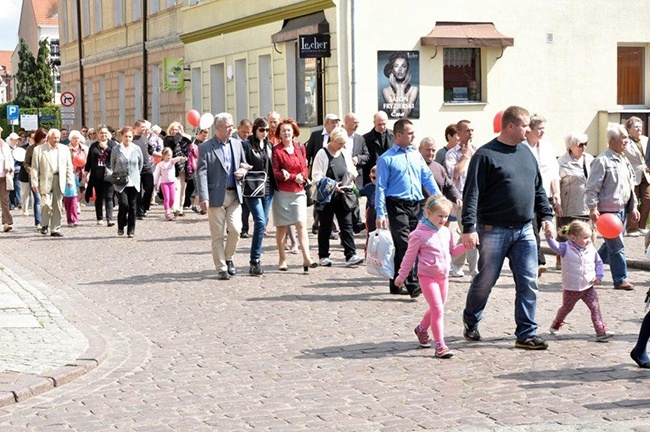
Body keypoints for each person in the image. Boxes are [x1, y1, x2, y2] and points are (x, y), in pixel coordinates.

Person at [461, 106, 554, 350]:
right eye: (525, 125)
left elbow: (538, 189)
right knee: (486, 280)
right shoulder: (485, 155)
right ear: (510, 126)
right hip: (493, 230)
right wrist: (468, 227)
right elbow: (472, 193)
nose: (528, 130)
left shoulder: (526, 153)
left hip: (524, 230)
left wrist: (547, 215)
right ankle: (471, 319)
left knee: (528, 281)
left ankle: (526, 333)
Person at [375, 118, 441, 297]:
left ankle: (396, 283)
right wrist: (380, 213)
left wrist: (439, 198)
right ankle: (413, 284)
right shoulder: (386, 159)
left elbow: (427, 178)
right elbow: (380, 187)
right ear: (398, 135)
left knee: (414, 243)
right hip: (396, 205)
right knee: (405, 244)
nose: (413, 136)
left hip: (416, 204)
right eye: (410, 133)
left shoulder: (415, 155)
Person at [396, 195, 465, 358]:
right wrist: (401, 277)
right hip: (427, 276)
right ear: (428, 213)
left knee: (437, 308)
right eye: (439, 216)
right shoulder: (418, 234)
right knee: (437, 309)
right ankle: (440, 345)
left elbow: (452, 253)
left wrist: (465, 246)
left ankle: (421, 329)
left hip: (443, 277)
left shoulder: (446, 232)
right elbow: (409, 257)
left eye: (446, 216)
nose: (443, 220)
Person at [585, 124, 638, 291]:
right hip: (608, 212)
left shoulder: (624, 160)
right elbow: (592, 188)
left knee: (610, 246)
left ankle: (589, 266)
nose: (626, 142)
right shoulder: (602, 161)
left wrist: (634, 207)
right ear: (613, 140)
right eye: (624, 138)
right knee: (617, 247)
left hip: (621, 209)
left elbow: (630, 186)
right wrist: (593, 208)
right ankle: (620, 279)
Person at [196, 112, 249, 281]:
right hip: (215, 195)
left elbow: (244, 163)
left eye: (232, 126)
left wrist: (243, 171)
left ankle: (229, 257)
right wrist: (203, 196)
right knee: (217, 234)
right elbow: (201, 173)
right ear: (217, 128)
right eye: (228, 126)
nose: (231, 129)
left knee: (236, 230)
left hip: (234, 193)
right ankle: (221, 268)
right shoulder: (206, 147)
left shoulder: (237, 144)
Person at [545, 220, 613, 341]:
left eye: (589, 237)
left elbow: (598, 262)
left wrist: (599, 276)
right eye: (585, 237)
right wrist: (549, 237)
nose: (589, 240)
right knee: (566, 308)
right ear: (573, 237)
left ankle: (600, 331)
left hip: (588, 286)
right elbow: (554, 246)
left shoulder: (590, 248)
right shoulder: (565, 247)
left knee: (595, 307)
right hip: (571, 287)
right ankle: (557, 322)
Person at [311, 126, 364, 267]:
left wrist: (349, 180)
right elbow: (316, 177)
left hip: (343, 195)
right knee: (325, 226)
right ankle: (323, 255)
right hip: (326, 197)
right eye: (339, 143)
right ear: (332, 140)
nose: (341, 146)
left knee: (346, 225)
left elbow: (351, 170)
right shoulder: (322, 154)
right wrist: (333, 185)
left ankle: (351, 254)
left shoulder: (344, 153)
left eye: (343, 144)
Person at [272, 118, 318, 272]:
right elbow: (275, 172)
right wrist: (291, 176)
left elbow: (305, 167)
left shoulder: (299, 147)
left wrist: (303, 176)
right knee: (282, 227)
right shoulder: (276, 150)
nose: (286, 133)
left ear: (294, 132)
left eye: (289, 130)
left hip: (298, 192)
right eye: (283, 130)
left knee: (301, 224)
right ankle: (282, 258)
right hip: (283, 193)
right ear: (279, 133)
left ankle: (307, 257)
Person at [524, 114, 561, 276]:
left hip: (544, 195)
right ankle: (539, 261)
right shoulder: (522, 147)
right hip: (527, 196)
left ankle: (530, 260)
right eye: (539, 128)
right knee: (531, 230)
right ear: (530, 130)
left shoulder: (547, 148)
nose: (542, 132)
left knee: (539, 228)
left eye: (543, 128)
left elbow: (553, 173)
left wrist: (556, 193)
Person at [241, 118, 276, 275]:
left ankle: (256, 259)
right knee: (260, 221)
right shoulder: (247, 145)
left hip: (268, 189)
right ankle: (255, 260)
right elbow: (240, 162)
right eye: (262, 130)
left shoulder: (269, 145)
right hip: (253, 188)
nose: (265, 133)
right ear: (255, 130)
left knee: (263, 223)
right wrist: (243, 167)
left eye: (267, 130)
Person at [556, 132, 594, 269]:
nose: (584, 147)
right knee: (566, 233)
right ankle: (561, 257)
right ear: (571, 146)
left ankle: (586, 258)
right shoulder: (562, 162)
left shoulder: (590, 159)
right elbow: (556, 183)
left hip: (586, 203)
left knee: (588, 231)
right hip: (569, 203)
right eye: (580, 145)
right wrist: (557, 203)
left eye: (586, 144)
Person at [446, 120, 478, 278]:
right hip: (460, 201)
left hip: (477, 200)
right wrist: (465, 157)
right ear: (458, 133)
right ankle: (475, 273)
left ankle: (455, 261)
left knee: (468, 233)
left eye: (472, 130)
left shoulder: (478, 151)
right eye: (467, 130)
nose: (471, 133)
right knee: (471, 233)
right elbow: (455, 174)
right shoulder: (451, 154)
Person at [31, 129, 75, 237]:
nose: (56, 140)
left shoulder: (64, 149)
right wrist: (34, 182)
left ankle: (55, 228)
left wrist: (70, 180)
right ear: (49, 138)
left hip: (59, 178)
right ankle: (44, 223)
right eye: (54, 138)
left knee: (57, 205)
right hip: (45, 179)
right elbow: (35, 168)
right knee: (45, 203)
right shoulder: (39, 150)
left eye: (58, 138)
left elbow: (69, 166)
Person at [306, 113, 341, 236]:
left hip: (334, 173)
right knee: (319, 202)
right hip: (319, 173)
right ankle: (317, 223)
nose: (335, 124)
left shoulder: (340, 136)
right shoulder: (316, 135)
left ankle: (334, 230)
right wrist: (306, 171)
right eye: (332, 122)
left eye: (337, 122)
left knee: (332, 202)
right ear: (326, 123)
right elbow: (308, 153)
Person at [110, 126, 144, 238]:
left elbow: (140, 164)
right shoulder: (116, 149)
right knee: (124, 205)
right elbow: (112, 165)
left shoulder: (136, 149)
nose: (128, 139)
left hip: (133, 182)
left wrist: (135, 175)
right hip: (120, 182)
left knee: (133, 207)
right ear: (121, 136)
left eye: (130, 136)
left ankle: (131, 230)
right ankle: (121, 225)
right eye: (126, 136)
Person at [342, 112, 370, 233]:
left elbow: (366, 155)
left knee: (355, 198)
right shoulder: (338, 136)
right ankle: (347, 225)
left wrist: (358, 159)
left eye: (358, 122)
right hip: (342, 173)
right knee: (343, 200)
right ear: (346, 122)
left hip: (355, 174)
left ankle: (356, 223)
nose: (357, 125)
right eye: (355, 122)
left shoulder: (360, 138)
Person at [85, 125, 117, 227]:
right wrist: (86, 174)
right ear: (98, 134)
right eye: (101, 133)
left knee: (109, 197)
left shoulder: (113, 144)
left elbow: (116, 156)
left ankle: (109, 219)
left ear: (108, 134)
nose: (103, 135)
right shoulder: (93, 146)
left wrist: (106, 148)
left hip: (109, 174)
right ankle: (99, 218)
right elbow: (89, 161)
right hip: (97, 174)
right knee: (99, 197)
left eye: (105, 133)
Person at [623, 116, 650, 236]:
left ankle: (642, 226)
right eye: (636, 127)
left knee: (647, 199)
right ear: (629, 129)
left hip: (646, 174)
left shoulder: (646, 139)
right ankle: (631, 228)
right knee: (633, 202)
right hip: (632, 175)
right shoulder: (625, 141)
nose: (639, 129)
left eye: (640, 126)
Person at [419, 137, 462, 206]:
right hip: (419, 209)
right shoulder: (413, 167)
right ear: (420, 149)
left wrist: (457, 197)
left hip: (437, 209)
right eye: (428, 150)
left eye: (433, 150)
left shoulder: (439, 168)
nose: (431, 153)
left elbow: (449, 186)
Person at [164, 122, 192, 217]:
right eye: (172, 129)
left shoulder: (183, 139)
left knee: (183, 188)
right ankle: (175, 208)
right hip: (173, 167)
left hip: (184, 167)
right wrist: (180, 135)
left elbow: (190, 144)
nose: (174, 131)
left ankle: (180, 207)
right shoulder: (168, 139)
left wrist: (183, 134)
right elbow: (174, 142)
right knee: (176, 187)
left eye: (176, 129)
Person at [381, 51, 419, 119]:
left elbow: (405, 116)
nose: (400, 69)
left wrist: (402, 88)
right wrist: (399, 89)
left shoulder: (414, 89)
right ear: (392, 69)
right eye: (396, 66)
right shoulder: (386, 90)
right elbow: (395, 115)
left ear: (407, 69)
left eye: (403, 66)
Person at [232, 119, 253, 238]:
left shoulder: (250, 142)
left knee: (245, 205)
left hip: (248, 177)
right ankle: (232, 227)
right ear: (238, 129)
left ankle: (244, 229)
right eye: (244, 132)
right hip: (235, 177)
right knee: (234, 205)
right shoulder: (233, 140)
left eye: (248, 132)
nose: (246, 135)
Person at [154, 147, 187, 221]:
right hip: (164, 183)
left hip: (172, 182)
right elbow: (157, 174)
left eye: (170, 155)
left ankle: (169, 208)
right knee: (167, 198)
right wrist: (155, 183)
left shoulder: (172, 161)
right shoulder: (160, 165)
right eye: (167, 155)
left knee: (172, 198)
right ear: (163, 155)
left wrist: (182, 158)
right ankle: (167, 212)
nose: (169, 157)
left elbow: (177, 158)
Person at [19, 130, 43, 229]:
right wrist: (31, 171)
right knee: (37, 199)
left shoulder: (46, 148)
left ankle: (45, 220)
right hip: (33, 177)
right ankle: (38, 222)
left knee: (45, 200)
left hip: (45, 177)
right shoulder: (30, 149)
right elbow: (26, 163)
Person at [362, 111, 394, 186]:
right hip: (373, 178)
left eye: (384, 124)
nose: (382, 127)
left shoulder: (394, 136)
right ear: (374, 122)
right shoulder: (365, 138)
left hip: (391, 176)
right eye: (379, 124)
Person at [133, 120, 155, 220]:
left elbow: (151, 151)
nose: (144, 129)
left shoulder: (145, 139)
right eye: (142, 127)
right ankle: (139, 212)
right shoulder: (132, 139)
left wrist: (163, 156)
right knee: (137, 191)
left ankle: (144, 206)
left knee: (149, 188)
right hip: (136, 169)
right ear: (137, 127)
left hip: (147, 167)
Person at [0, 131, 15, 232]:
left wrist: (10, 167)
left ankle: (6, 222)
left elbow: (10, 159)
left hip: (4, 177)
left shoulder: (5, 146)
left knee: (5, 200)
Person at [7, 133, 22, 211]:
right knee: (11, 187)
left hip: (17, 169)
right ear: (11, 140)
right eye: (15, 139)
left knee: (18, 186)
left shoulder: (19, 149)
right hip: (9, 171)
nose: (17, 141)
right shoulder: (7, 149)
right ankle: (12, 203)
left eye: (17, 139)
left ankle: (19, 202)